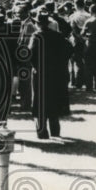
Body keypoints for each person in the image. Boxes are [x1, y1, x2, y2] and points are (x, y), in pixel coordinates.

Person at [29, 9, 72, 139]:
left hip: (40, 73)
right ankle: (55, 131)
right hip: (55, 73)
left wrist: (35, 66)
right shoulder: (57, 36)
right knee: (53, 100)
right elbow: (69, 50)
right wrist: (60, 64)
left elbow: (30, 55)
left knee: (40, 102)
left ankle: (42, 132)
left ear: (37, 23)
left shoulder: (36, 36)